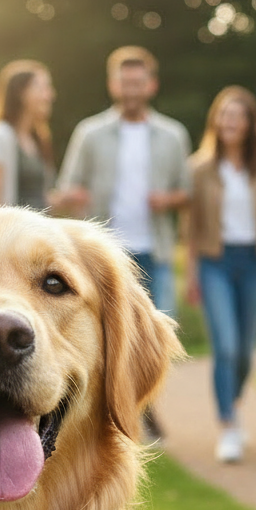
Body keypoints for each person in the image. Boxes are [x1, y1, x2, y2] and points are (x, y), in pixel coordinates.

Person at [184, 85, 256, 464]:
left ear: (249, 124)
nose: (231, 122)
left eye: (239, 116)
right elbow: (192, 226)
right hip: (215, 261)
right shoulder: (198, 167)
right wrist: (191, 275)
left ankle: (234, 398)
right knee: (226, 347)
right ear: (216, 120)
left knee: (246, 351)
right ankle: (228, 425)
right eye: (225, 115)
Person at [53, 46, 192, 318]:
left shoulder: (173, 135)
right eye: (125, 83)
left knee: (160, 333)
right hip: (104, 251)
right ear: (112, 85)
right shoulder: (89, 133)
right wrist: (72, 196)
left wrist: (168, 200)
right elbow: (68, 185)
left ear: (151, 85)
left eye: (138, 84)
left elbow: (186, 192)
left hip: (156, 251)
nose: (131, 91)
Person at [0, 60, 56, 211]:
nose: (50, 95)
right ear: (21, 92)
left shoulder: (36, 139)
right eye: (43, 88)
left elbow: (36, 198)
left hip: (38, 232)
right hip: (15, 233)